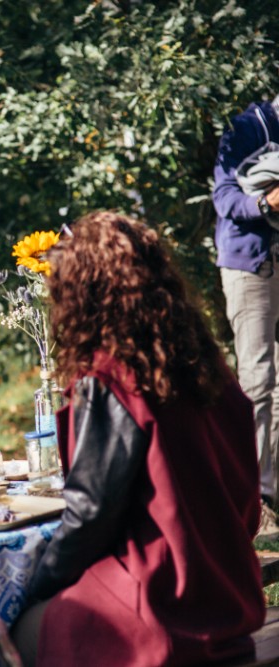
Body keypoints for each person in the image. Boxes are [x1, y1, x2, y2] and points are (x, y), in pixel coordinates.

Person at [11, 212, 265, 666]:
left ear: (83, 294)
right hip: (227, 594)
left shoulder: (112, 379)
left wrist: (33, 588)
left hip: (161, 607)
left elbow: (91, 513)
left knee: (14, 632)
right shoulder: (211, 372)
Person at [213, 93, 279, 538]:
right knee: (258, 383)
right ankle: (259, 502)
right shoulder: (246, 128)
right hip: (250, 266)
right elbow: (224, 199)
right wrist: (268, 203)